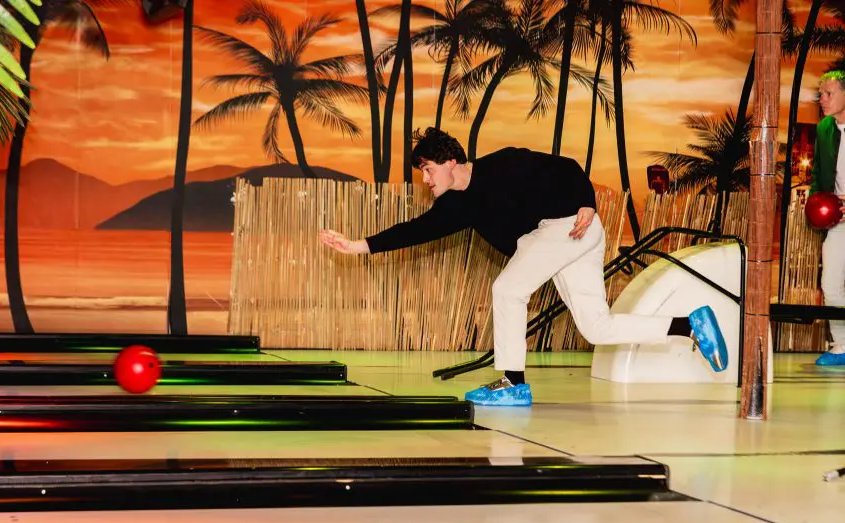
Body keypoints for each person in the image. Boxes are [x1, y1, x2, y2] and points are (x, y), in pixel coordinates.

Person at [319, 128, 728, 406]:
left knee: (507, 289)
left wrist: (587, 201)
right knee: (596, 327)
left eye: (427, 168)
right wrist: (360, 246)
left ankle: (513, 383)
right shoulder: (456, 206)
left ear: (450, 161)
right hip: (570, 236)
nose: (425, 178)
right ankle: (689, 324)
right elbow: (417, 230)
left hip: (571, 224)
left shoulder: (503, 164)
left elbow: (565, 167)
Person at [809, 70, 845, 366]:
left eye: (829, 94)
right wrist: (815, 204)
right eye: (821, 94)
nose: (822, 100)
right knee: (830, 281)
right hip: (838, 222)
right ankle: (841, 346)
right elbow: (818, 175)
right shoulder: (824, 129)